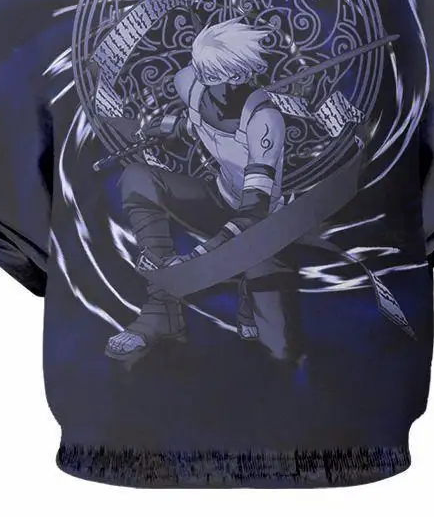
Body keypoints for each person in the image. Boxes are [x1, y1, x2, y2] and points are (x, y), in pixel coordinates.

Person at [105, 18, 301, 364]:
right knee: (138, 178)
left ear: (242, 76)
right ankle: (162, 310)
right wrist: (173, 126)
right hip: (218, 196)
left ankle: (249, 291)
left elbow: (254, 210)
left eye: (215, 77)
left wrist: (198, 256)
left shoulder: (264, 121)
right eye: (201, 72)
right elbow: (200, 123)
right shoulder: (189, 82)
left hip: (263, 225)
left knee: (279, 348)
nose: (205, 83)